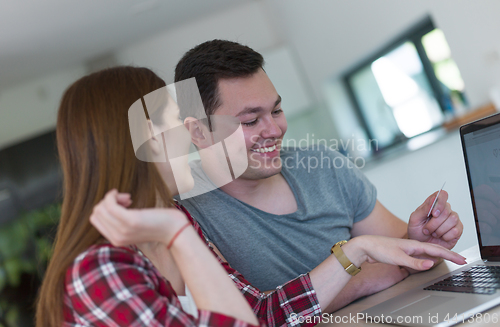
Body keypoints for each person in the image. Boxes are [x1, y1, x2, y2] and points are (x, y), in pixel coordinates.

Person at [36, 66, 465, 327]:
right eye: (172, 127)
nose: (186, 142)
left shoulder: (173, 222)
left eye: (275, 111)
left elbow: (260, 314)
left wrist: (358, 249)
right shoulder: (102, 269)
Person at [173, 40, 465, 312]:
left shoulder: (325, 165)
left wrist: (421, 242)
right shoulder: (184, 214)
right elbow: (249, 316)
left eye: (276, 110)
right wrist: (361, 279)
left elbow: (409, 256)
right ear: (199, 131)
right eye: (250, 121)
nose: (274, 130)